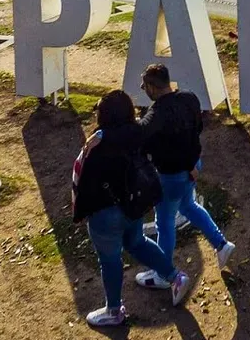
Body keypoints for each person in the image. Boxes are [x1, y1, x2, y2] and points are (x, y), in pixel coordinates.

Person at [72, 90, 194, 327]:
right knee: (137, 242)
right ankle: (175, 276)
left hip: (105, 213)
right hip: (134, 203)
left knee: (109, 260)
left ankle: (114, 310)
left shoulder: (95, 144)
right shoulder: (138, 134)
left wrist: (81, 213)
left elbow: (83, 183)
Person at [133, 65, 235, 290]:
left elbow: (140, 138)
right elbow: (197, 129)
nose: (143, 90)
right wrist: (191, 164)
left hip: (173, 175)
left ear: (151, 87)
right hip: (191, 165)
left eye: (144, 86)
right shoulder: (189, 98)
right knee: (188, 206)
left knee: (164, 222)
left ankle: (162, 272)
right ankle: (221, 244)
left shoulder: (156, 114)